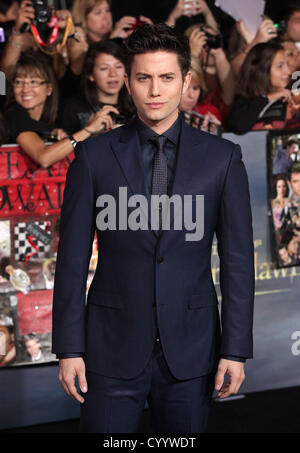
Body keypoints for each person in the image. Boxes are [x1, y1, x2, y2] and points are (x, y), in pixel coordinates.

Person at [52, 23, 254, 433]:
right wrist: (69, 348)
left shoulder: (223, 159)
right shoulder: (93, 157)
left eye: (166, 78)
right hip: (108, 350)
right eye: (144, 78)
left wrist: (235, 350)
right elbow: (71, 261)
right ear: (128, 82)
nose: (156, 90)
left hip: (193, 349)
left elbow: (237, 263)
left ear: (186, 81)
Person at [5, 50, 113, 167]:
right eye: (19, 82)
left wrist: (53, 137)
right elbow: (44, 158)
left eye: (33, 82)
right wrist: (88, 129)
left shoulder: (53, 116)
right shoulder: (14, 115)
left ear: (49, 89)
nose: (25, 89)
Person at [61, 39, 135, 135]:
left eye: (118, 67)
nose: (113, 74)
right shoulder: (74, 107)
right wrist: (89, 130)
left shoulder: (136, 105)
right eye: (104, 68)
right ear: (90, 75)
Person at [227, 42, 292, 135]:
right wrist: (268, 98)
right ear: (261, 69)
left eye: (287, 65)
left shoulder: (290, 98)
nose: (288, 72)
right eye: (280, 66)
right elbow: (239, 126)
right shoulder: (244, 103)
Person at [179, 55, 221, 133]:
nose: (191, 95)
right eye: (185, 88)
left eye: (196, 88)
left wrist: (214, 133)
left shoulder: (208, 114)